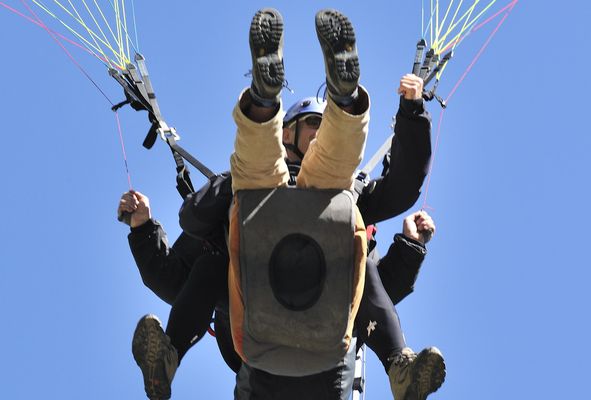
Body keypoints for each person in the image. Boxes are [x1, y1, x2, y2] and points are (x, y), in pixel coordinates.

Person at [124, 7, 445, 400]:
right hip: (257, 318)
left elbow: (403, 187)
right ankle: (165, 360)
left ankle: (401, 367)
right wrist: (145, 230)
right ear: (289, 135)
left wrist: (412, 115)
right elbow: (177, 274)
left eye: (326, 126)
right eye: (315, 124)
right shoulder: (235, 195)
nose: (318, 132)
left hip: (327, 323)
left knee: (339, 206)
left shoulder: (351, 194)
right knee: (251, 200)